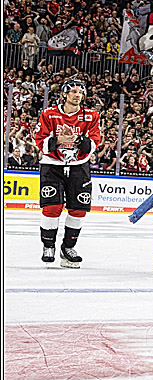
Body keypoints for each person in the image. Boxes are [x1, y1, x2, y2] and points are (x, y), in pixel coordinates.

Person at [33, 78, 101, 268]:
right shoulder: (49, 114)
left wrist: (78, 139)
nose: (77, 95)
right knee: (52, 207)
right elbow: (40, 141)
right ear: (64, 94)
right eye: (73, 91)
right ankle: (48, 246)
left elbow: (93, 144)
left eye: (80, 92)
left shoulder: (91, 116)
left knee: (79, 209)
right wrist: (59, 139)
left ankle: (68, 247)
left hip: (79, 166)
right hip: (52, 166)